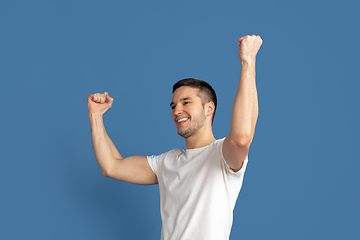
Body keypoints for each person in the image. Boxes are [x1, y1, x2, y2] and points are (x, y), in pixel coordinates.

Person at [87, 35, 262, 240]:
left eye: (186, 102)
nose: (177, 110)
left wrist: (248, 61)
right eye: (173, 105)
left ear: (209, 108)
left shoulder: (223, 154)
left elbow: (242, 137)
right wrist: (96, 115)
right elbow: (112, 166)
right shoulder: (167, 162)